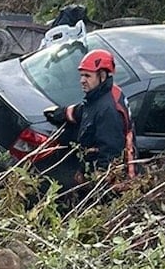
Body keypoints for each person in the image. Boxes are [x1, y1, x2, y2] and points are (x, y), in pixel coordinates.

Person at [45, 49, 136, 193]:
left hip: (110, 184)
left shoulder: (108, 111)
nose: (82, 80)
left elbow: (110, 156)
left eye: (87, 76)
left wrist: (91, 182)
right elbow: (85, 111)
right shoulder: (103, 94)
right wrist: (61, 113)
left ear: (102, 75)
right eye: (81, 76)